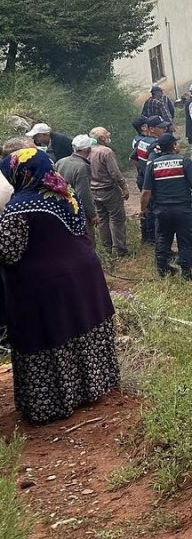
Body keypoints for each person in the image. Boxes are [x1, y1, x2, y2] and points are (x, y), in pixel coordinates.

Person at [0, 148, 118, 424]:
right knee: (81, 330)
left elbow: (8, 252)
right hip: (84, 275)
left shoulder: (20, 206)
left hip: (45, 286)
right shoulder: (65, 192)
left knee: (51, 335)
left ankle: (52, 403)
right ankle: (90, 389)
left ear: (21, 174)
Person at [142, 133, 192, 280]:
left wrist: (143, 210)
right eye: (177, 143)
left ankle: (162, 270)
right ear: (173, 146)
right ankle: (186, 272)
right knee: (185, 240)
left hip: (162, 210)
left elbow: (146, 192)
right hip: (183, 209)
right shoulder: (184, 162)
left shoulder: (153, 165)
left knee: (163, 238)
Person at [88, 126, 130, 257]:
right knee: (117, 219)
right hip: (109, 191)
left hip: (93, 191)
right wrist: (124, 187)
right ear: (101, 138)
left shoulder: (86, 151)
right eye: (106, 134)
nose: (109, 135)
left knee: (102, 219)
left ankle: (106, 248)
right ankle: (119, 250)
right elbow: (115, 173)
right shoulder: (106, 152)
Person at [54, 135, 97, 237]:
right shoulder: (82, 167)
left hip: (61, 207)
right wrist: (92, 214)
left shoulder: (61, 162)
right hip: (77, 210)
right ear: (89, 150)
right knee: (87, 239)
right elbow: (83, 193)